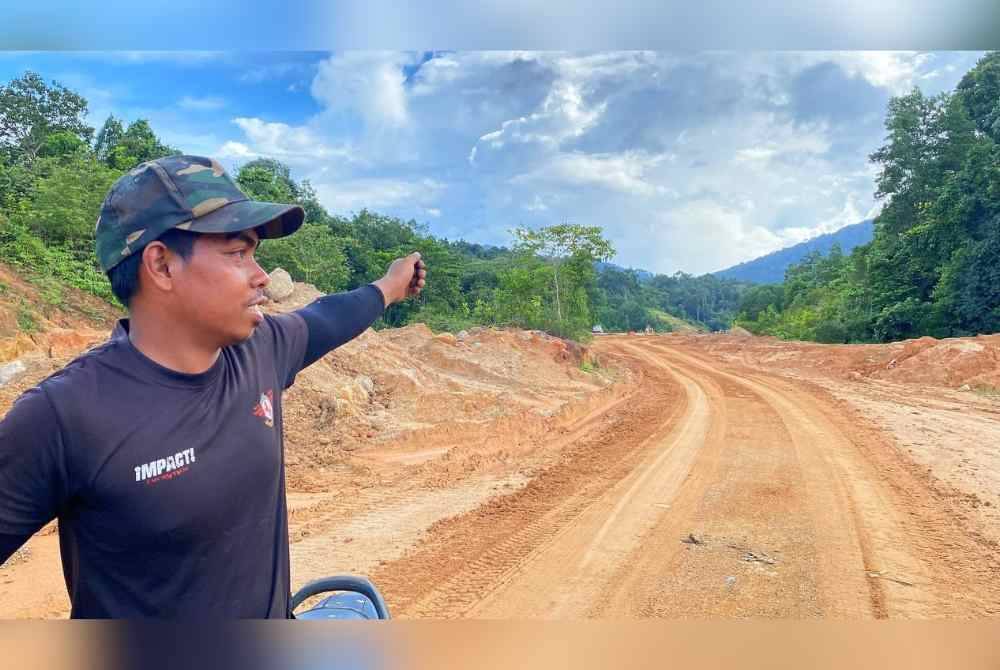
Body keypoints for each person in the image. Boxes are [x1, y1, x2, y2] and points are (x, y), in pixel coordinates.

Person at [0, 155, 427, 618]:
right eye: (237, 253)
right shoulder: (65, 415)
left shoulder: (260, 350)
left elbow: (328, 317)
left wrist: (389, 286)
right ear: (161, 265)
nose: (261, 276)